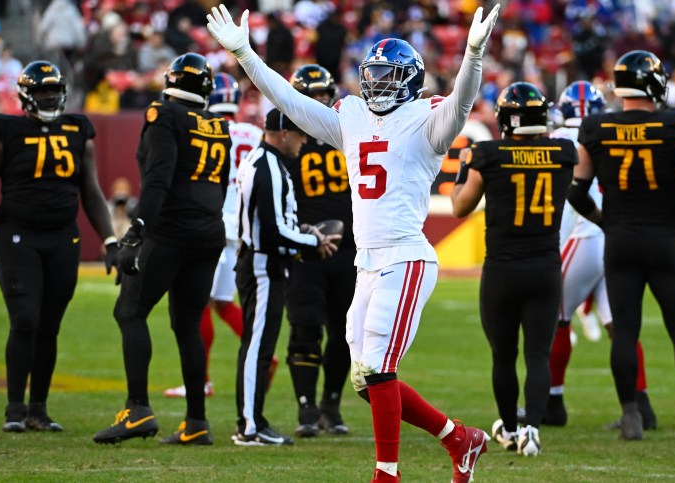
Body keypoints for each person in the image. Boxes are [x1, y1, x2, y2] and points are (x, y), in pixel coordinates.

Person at [207, 3, 499, 480]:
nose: (376, 83)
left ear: (408, 78)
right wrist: (244, 54)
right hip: (367, 262)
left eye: (386, 75)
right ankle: (458, 438)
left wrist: (473, 51)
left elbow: (462, 101)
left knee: (379, 368)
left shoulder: (427, 120)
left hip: (405, 257)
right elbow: (291, 102)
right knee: (366, 379)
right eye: (372, 74)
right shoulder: (353, 116)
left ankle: (386, 474)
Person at [0, 60, 119, 432]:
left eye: (53, 90)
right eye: (42, 91)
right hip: (18, 236)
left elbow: (90, 192)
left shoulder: (78, 129)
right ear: (27, 96)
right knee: (25, 319)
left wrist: (110, 241)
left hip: (63, 237)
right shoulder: (3, 131)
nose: (49, 97)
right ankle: (15, 408)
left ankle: (38, 409)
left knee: (49, 326)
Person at [566, 50, 675, 441]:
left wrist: (604, 221)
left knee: (627, 331)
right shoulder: (674, 123)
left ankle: (631, 416)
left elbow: (577, 192)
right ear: (653, 83)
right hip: (667, 238)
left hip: (620, 240)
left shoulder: (596, 126)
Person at [92, 53, 230, 446]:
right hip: (208, 232)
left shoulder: (164, 115)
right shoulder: (219, 124)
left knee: (130, 310)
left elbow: (158, 179)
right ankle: (196, 422)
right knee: (187, 324)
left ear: (171, 80)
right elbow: (219, 185)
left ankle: (137, 410)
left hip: (171, 231)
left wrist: (136, 230)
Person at [450, 82, 577, 456]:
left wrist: (464, 169)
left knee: (503, 356)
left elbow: (460, 207)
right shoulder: (564, 152)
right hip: (545, 266)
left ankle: (507, 428)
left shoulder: (486, 154)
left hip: (503, 268)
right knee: (538, 353)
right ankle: (532, 430)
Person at [539, 80, 659, 430]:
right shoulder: (610, 133)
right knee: (620, 328)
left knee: (557, 318)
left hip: (585, 233)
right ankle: (641, 406)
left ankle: (554, 403)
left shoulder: (556, 139)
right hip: (616, 235)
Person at [232, 108, 340, 446]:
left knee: (257, 346)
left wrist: (303, 231)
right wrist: (313, 240)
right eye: (299, 134)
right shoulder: (270, 167)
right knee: (258, 349)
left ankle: (252, 421)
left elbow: (272, 223)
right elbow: (275, 231)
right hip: (264, 264)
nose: (304, 141)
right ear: (282, 134)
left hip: (258, 260)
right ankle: (250, 426)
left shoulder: (259, 160)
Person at [162, 71, 261, 399]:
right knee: (222, 302)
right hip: (242, 228)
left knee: (198, 302)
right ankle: (264, 354)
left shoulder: (207, 130)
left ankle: (200, 379)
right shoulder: (255, 133)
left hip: (211, 222)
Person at [284, 64, 355, 437]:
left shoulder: (348, 131)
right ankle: (306, 408)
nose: (318, 105)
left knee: (347, 332)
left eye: (324, 98)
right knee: (304, 328)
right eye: (311, 98)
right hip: (304, 250)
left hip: (348, 249)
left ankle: (331, 403)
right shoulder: (289, 139)